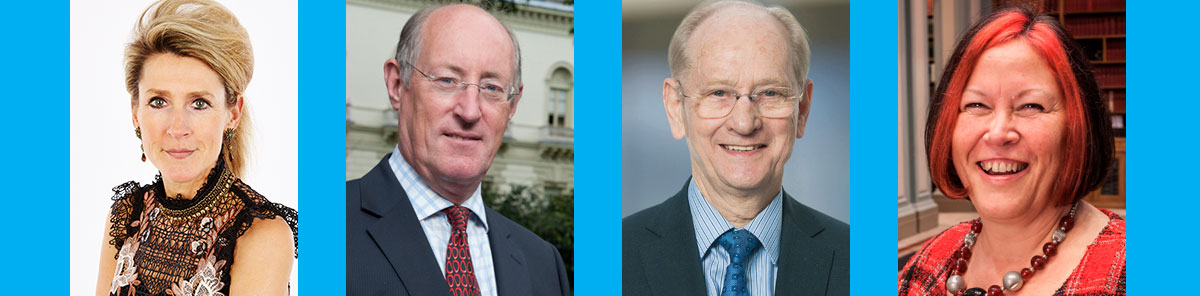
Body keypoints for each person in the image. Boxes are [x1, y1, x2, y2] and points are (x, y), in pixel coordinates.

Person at [622, 1, 849, 295]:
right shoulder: (616, 255)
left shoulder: (852, 260)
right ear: (676, 108)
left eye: (770, 92)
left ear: (802, 110)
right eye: (719, 93)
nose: (744, 123)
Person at [345, 4, 571, 296]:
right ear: (397, 84)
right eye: (447, 81)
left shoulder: (543, 263)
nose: (470, 110)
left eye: (491, 88)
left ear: (512, 105)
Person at [898, 7, 1125, 296]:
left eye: (1031, 106)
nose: (998, 133)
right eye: (976, 105)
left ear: (1077, 128)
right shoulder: (928, 261)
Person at [95, 0, 298, 295]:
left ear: (233, 113)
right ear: (135, 110)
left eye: (199, 103)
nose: (177, 128)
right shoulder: (125, 215)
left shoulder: (260, 234)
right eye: (158, 102)